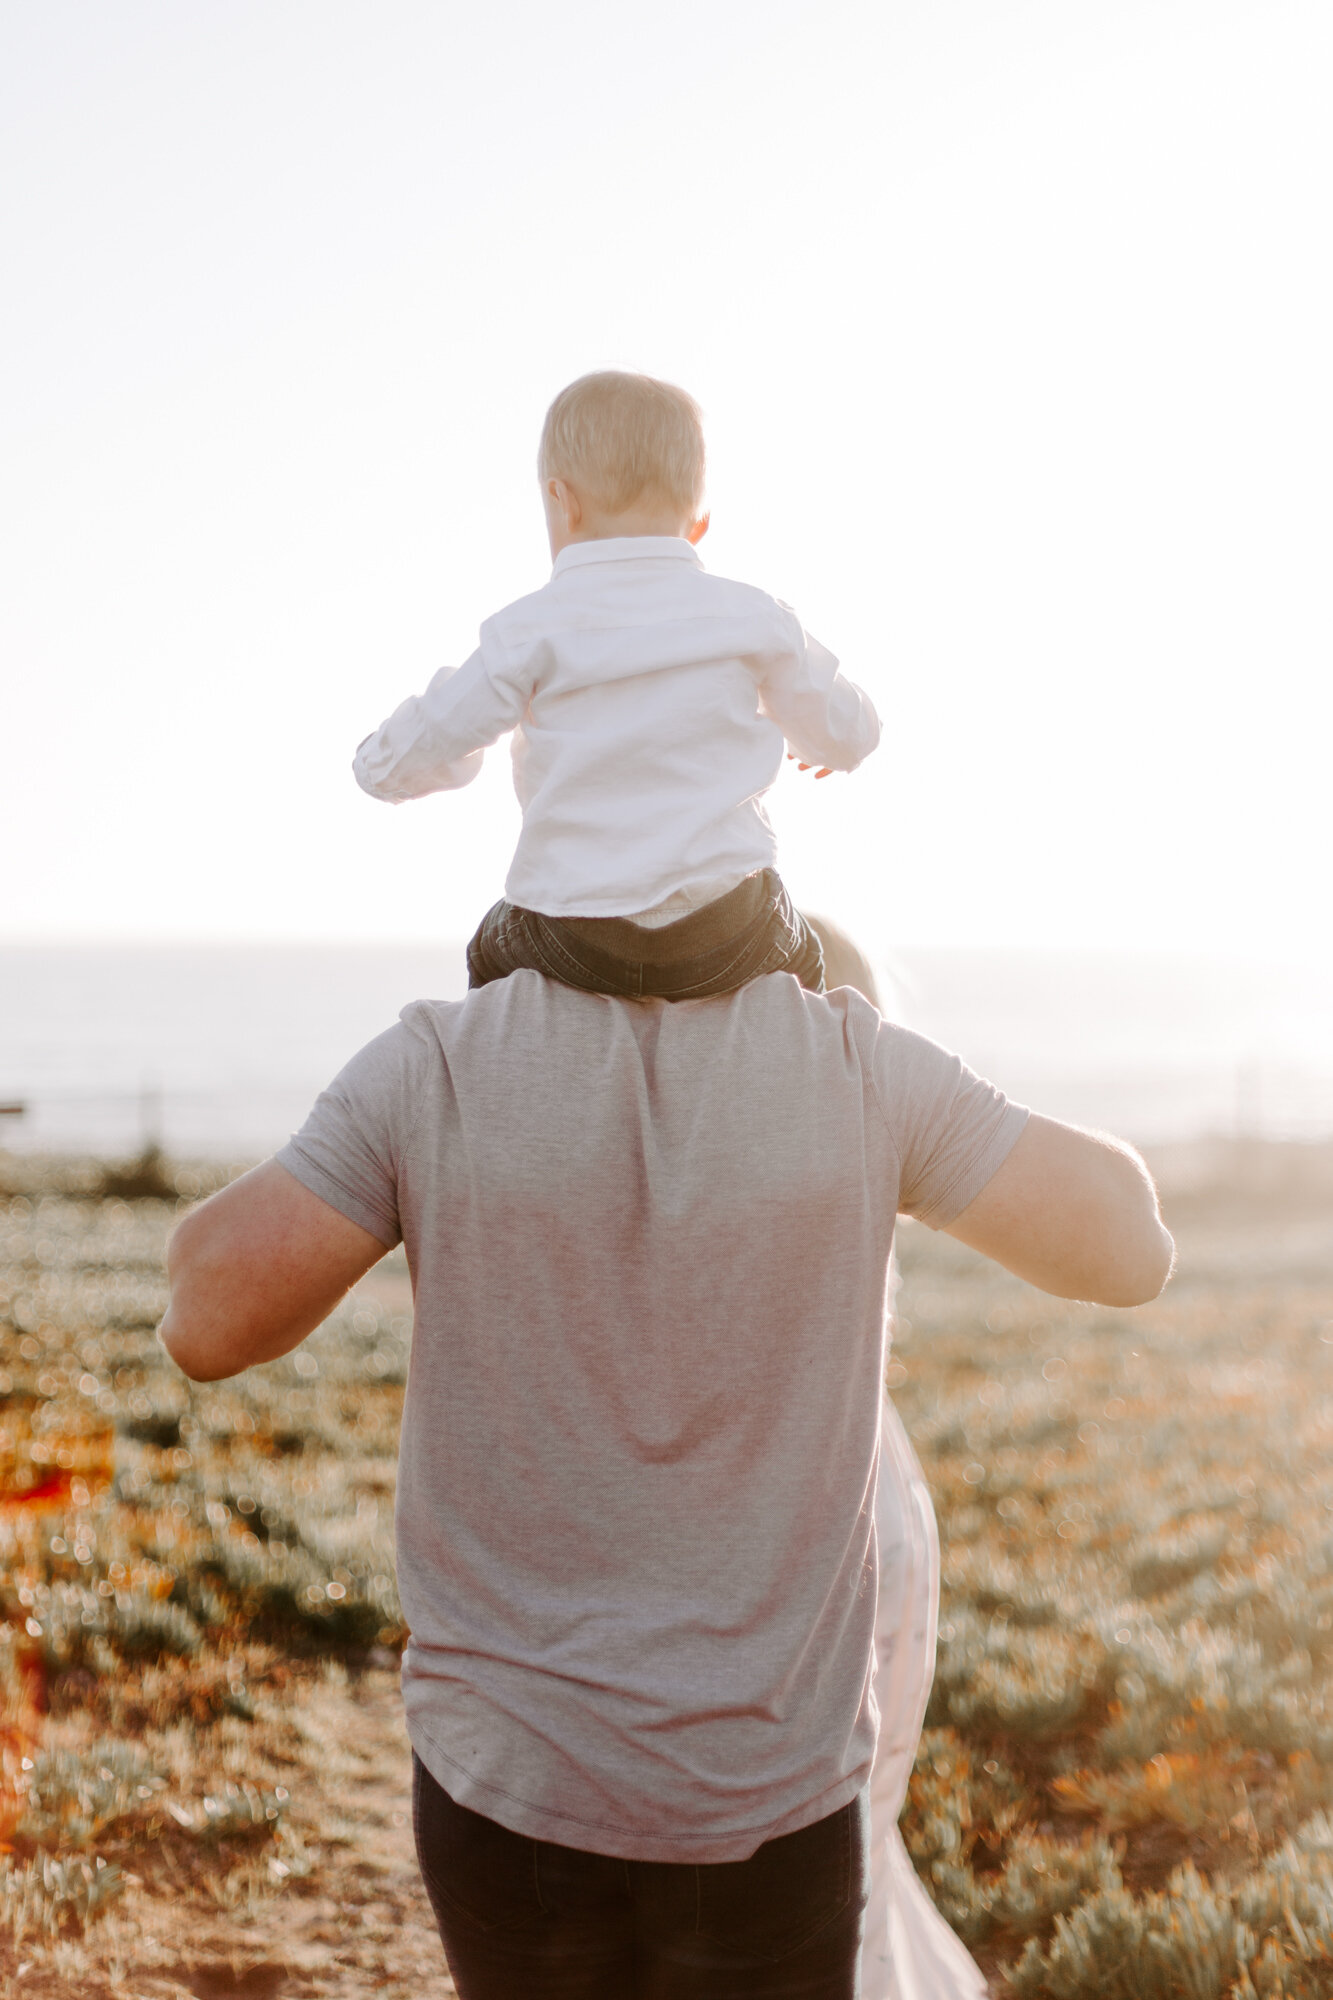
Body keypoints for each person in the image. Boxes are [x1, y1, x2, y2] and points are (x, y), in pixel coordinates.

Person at [160, 964, 1173, 1999]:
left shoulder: (442, 1064)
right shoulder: (850, 1064)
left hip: (512, 1776)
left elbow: (201, 1314)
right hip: (760, 1795)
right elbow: (1131, 1243)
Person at [352, 370, 880, 999]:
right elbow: (851, 732)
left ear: (561, 500)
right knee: (804, 955)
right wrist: (820, 747)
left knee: (492, 948)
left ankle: (500, 1069)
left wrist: (381, 768)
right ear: (698, 524)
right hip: (728, 936)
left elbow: (430, 739)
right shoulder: (753, 617)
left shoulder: (528, 631)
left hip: (572, 939)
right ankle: (811, 1065)